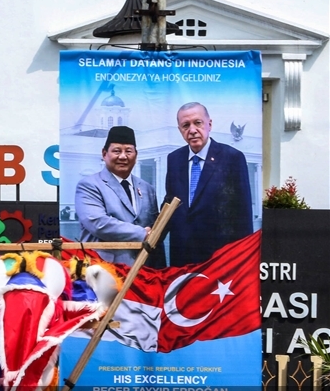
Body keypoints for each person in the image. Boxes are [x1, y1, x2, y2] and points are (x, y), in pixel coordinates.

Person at [164, 102, 253, 266]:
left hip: (219, 260)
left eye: (197, 123)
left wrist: (243, 260)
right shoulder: (174, 159)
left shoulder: (232, 158)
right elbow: (170, 202)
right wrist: (152, 233)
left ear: (209, 124)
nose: (192, 130)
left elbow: (243, 213)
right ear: (180, 130)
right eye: (185, 125)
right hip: (181, 259)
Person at [74, 125, 164, 267]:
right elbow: (98, 223)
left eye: (128, 151)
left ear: (136, 155)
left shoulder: (147, 188)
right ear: (104, 154)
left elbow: (154, 231)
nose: (123, 156)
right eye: (116, 151)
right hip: (104, 272)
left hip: (145, 272)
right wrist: (142, 233)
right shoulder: (89, 185)